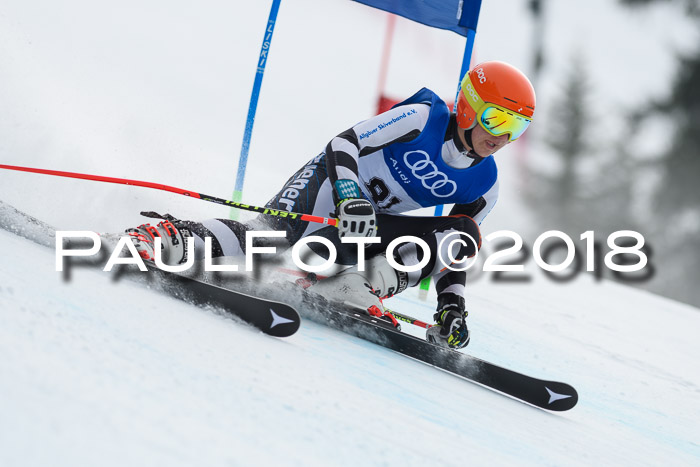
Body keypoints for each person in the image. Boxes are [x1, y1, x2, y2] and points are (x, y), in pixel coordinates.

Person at [126, 61, 536, 349]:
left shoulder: (485, 185)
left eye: (516, 127)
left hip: (366, 227)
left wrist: (452, 307)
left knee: (464, 233)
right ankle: (168, 237)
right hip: (331, 186)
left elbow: (452, 256)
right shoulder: (422, 117)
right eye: (497, 119)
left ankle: (356, 285)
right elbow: (343, 144)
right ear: (468, 105)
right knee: (266, 241)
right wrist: (350, 195)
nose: (502, 136)